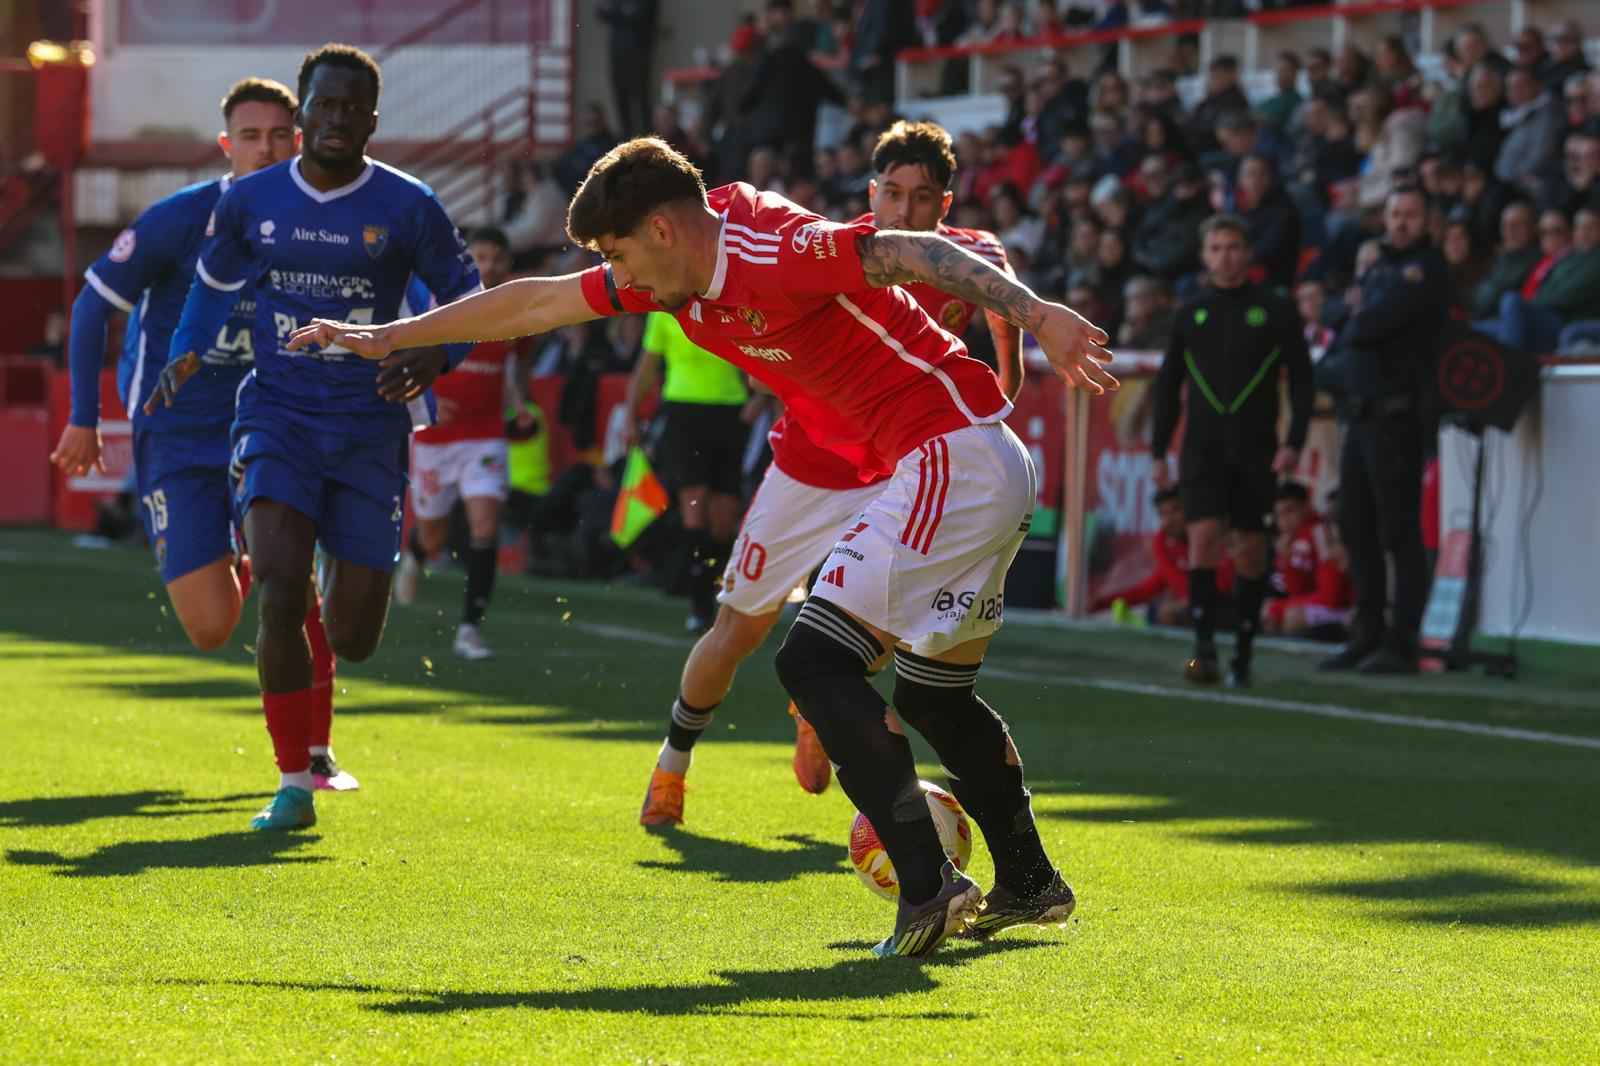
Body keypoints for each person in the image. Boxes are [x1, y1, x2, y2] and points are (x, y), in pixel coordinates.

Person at [289, 133, 1113, 957]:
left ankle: (928, 889)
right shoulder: (671, 283)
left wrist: (1038, 315)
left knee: (813, 661)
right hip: (965, 466)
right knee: (933, 697)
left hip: (952, 455)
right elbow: (537, 302)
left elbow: (907, 249)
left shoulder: (770, 244)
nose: (620, 275)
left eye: (620, 253)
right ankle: (1031, 883)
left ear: (663, 228)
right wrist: (392, 336)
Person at [631, 120, 1023, 822]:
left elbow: (1004, 326)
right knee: (739, 629)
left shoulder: (969, 258)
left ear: (946, 204)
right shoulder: (838, 253)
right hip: (809, 467)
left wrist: (1004, 390)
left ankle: (828, 719)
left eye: (923, 197)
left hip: (901, 472)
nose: (905, 211)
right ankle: (673, 762)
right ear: (872, 193)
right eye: (892, 193)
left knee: (884, 634)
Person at [147, 46, 482, 830]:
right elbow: (212, 285)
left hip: (369, 429)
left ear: (371, 117)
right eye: (321, 107)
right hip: (279, 419)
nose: (335, 119)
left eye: (350, 108)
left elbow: (469, 297)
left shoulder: (408, 205)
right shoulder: (251, 200)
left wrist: (437, 353)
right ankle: (294, 783)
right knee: (280, 586)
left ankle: (337, 635)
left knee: (356, 637)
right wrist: (187, 348)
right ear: (303, 117)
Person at [50, 77, 356, 794]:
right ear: (227, 146)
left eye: (281, 136)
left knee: (297, 589)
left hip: (272, 427)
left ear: (301, 141)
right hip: (178, 436)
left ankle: (314, 756)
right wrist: (83, 415)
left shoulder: (320, 229)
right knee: (212, 627)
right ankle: (248, 558)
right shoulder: (182, 219)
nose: (266, 149)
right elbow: (95, 304)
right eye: (251, 137)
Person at [1151, 214, 1313, 687]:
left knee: (1251, 549)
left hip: (1256, 448)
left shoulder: (1277, 311)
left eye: (1233, 246)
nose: (1225, 256)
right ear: (1204, 256)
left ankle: (1243, 651)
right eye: (1216, 247)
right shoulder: (1191, 313)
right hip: (1201, 448)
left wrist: (1294, 442)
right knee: (1202, 537)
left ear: (1248, 253)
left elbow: (1303, 381)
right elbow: (1168, 387)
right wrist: (1159, 449)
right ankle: (1204, 649)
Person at [1319, 186, 1449, 674]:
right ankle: (1367, 630)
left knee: (1398, 529)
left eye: (1410, 214)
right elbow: (1334, 312)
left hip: (1397, 415)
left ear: (1426, 221)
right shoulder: (1380, 267)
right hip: (1362, 412)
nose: (1400, 222)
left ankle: (1402, 638)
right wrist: (1355, 309)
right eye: (1395, 214)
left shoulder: (1426, 271)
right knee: (1354, 521)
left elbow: (1368, 324)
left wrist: (1356, 309)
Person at [395, 226, 532, 660]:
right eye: (481, 256)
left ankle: (469, 629)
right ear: (466, 261)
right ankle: (416, 555)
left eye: (497, 256)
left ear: (508, 263)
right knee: (434, 533)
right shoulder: (440, 301)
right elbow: (403, 353)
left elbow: (516, 366)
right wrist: (426, 398)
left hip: (485, 435)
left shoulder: (518, 312)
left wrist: (520, 404)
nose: (489, 265)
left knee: (484, 526)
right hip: (436, 438)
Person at [625, 310, 751, 632]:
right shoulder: (662, 312)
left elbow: (759, 355)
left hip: (729, 412)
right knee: (693, 504)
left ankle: (717, 593)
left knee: (724, 518)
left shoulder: (729, 302)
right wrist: (630, 415)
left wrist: (761, 401)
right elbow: (646, 365)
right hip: (682, 412)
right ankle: (699, 606)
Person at [1090, 488, 1233, 626]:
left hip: (1225, 607)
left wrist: (1158, 547)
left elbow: (1219, 588)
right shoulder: (1172, 549)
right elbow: (1145, 591)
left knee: (1173, 611)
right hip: (1201, 611)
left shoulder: (1213, 539)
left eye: (1176, 510)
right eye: (1163, 514)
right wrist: (1099, 603)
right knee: (1162, 611)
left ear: (1191, 509)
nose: (1169, 519)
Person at [1263, 482, 1354, 639]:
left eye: (1289, 511)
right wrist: (1287, 560)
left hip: (1346, 608)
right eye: (1280, 515)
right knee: (1271, 614)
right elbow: (1298, 592)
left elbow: (1331, 596)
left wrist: (1281, 607)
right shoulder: (1290, 540)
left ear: (1306, 506)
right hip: (1324, 604)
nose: (1284, 520)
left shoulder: (1320, 532)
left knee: (1291, 616)